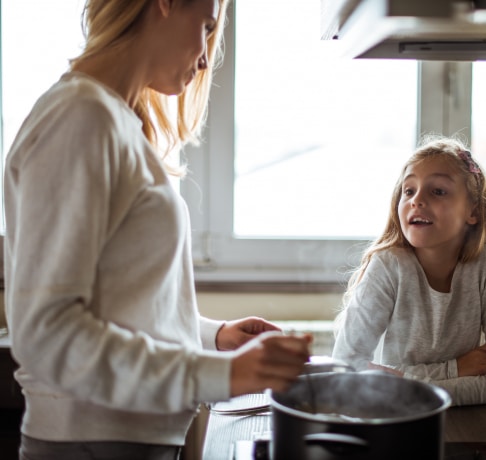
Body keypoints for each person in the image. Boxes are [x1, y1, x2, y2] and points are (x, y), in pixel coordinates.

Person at [3, 0, 311, 458]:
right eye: (206, 27)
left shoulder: (110, 119)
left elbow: (121, 301)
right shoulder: (80, 118)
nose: (206, 57)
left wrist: (210, 335)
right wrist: (224, 375)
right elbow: (47, 331)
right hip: (93, 443)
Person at [332, 135, 486, 406]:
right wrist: (455, 370)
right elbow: (346, 372)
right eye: (409, 190)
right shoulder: (388, 266)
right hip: (396, 421)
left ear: (473, 211)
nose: (416, 200)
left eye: (438, 191)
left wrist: (403, 382)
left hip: (462, 424)